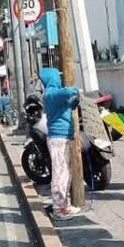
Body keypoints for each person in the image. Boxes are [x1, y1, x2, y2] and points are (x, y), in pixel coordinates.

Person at [40, 67, 81, 221]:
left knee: (65, 174)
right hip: (58, 138)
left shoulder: (55, 94)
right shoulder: (50, 93)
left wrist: (74, 102)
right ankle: (58, 210)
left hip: (63, 137)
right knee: (60, 175)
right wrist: (75, 90)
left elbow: (66, 104)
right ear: (53, 78)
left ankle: (65, 205)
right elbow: (67, 92)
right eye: (58, 76)